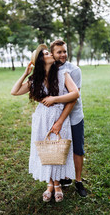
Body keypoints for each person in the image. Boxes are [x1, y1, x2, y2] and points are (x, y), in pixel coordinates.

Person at [11, 44, 80, 202]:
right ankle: (50, 183)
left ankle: (57, 184)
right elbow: (14, 91)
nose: (50, 54)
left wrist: (54, 100)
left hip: (59, 117)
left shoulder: (63, 74)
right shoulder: (35, 80)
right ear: (41, 60)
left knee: (58, 150)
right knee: (46, 150)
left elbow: (75, 93)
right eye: (47, 53)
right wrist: (25, 73)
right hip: (41, 118)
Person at [42, 39, 87, 197]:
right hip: (55, 117)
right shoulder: (50, 69)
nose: (63, 54)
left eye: (64, 51)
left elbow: (73, 98)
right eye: (59, 52)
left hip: (74, 116)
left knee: (77, 149)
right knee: (60, 148)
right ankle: (62, 177)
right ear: (52, 54)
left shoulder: (74, 70)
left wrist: (60, 120)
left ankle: (79, 181)